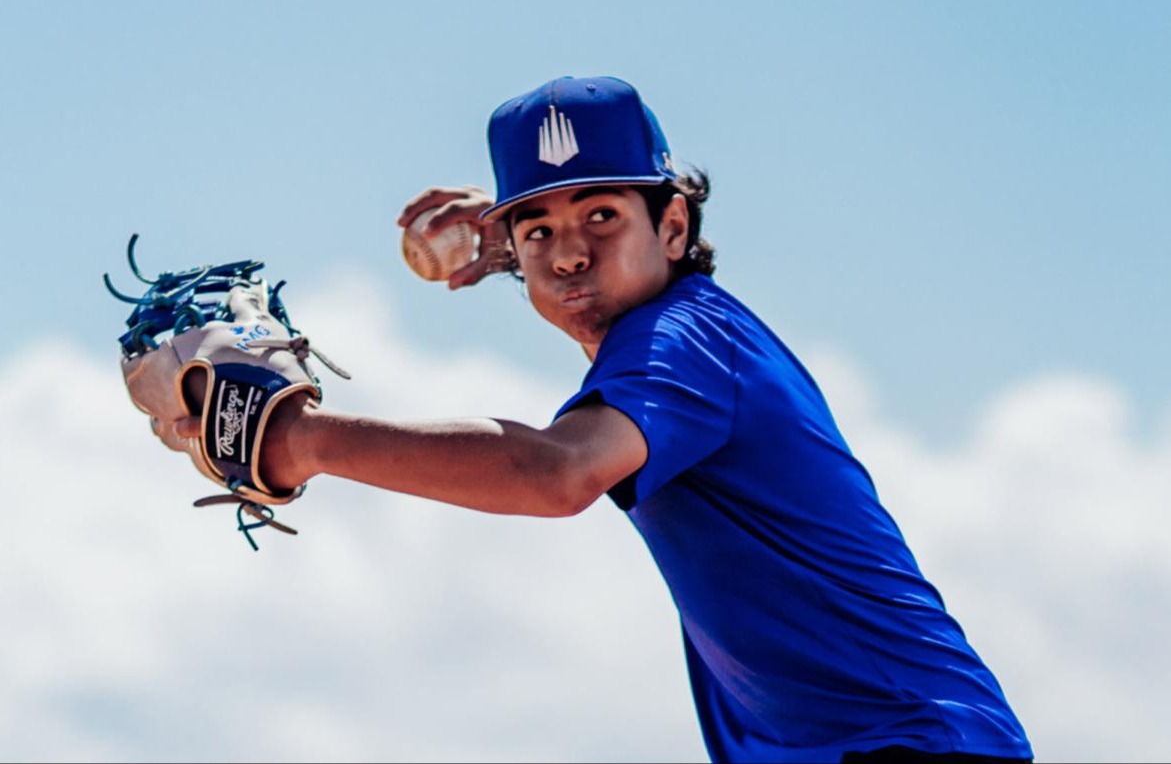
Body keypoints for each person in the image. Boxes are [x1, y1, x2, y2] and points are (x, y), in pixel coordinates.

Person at [184, 76, 1034, 763]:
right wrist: (521, 230)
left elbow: (558, 473)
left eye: (602, 215)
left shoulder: (687, 336)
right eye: (538, 225)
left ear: (673, 226)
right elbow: (581, 271)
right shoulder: (672, 335)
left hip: (915, 745)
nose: (568, 250)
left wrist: (298, 440)